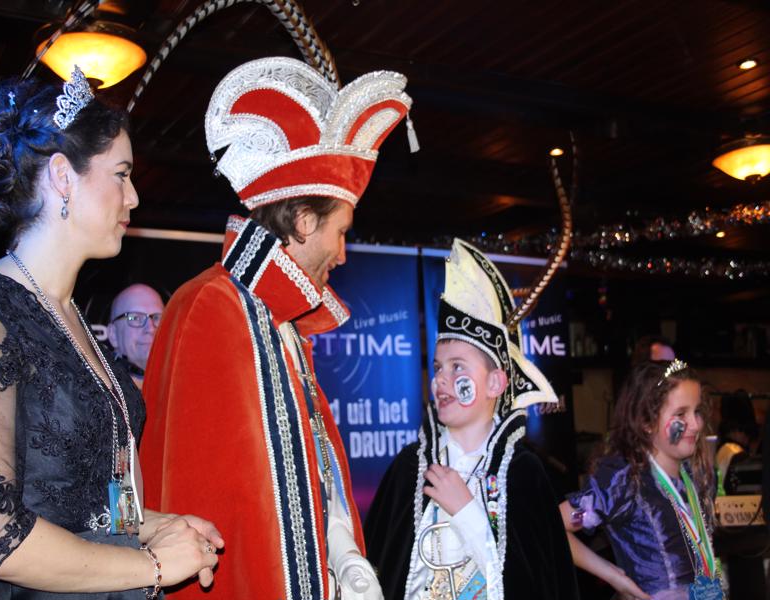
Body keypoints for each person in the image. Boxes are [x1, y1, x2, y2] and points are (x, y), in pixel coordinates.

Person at [140, 56, 413, 600]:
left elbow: (308, 478)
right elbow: (200, 496)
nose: (342, 253)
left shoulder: (278, 321)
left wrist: (343, 551)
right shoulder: (213, 305)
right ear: (305, 222)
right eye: (340, 232)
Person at [0, 69, 222, 599]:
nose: (134, 198)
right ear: (63, 177)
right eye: (122, 175)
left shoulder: (75, 319)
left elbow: (86, 504)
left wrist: (160, 527)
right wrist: (152, 565)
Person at [364, 238, 579, 600]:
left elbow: (538, 585)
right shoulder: (409, 469)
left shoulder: (524, 475)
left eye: (457, 367)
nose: (441, 380)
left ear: (495, 382)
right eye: (437, 368)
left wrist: (467, 513)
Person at [560, 360, 723, 600]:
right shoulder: (625, 481)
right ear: (647, 421)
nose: (696, 424)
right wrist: (613, 575)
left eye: (697, 411)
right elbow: (555, 525)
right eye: (681, 414)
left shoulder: (696, 474)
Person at [108, 283, 165, 389]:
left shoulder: (185, 383)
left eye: (157, 318)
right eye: (135, 318)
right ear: (113, 334)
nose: (151, 328)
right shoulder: (97, 390)